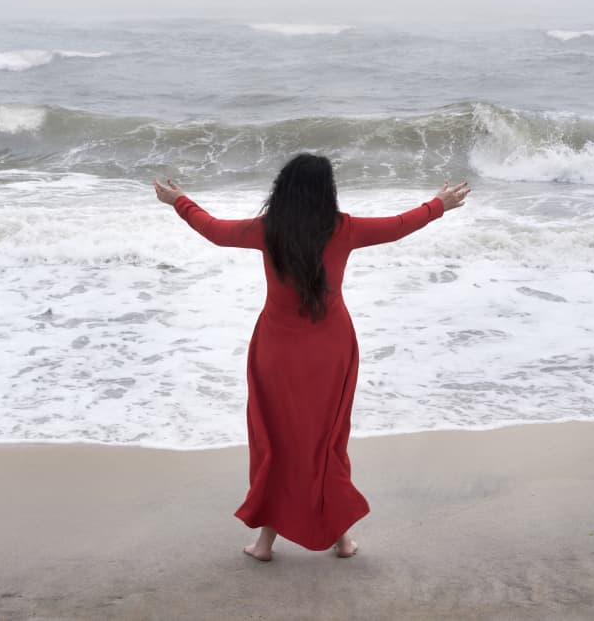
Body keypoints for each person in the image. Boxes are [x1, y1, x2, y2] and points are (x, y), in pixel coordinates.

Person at [154, 153, 471, 561]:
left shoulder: (268, 230)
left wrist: (179, 201)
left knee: (277, 443)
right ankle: (341, 540)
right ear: (327, 191)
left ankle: (266, 544)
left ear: (282, 190)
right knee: (327, 442)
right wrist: (437, 206)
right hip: (331, 351)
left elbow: (213, 230)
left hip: (276, 353)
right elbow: (397, 226)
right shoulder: (344, 228)